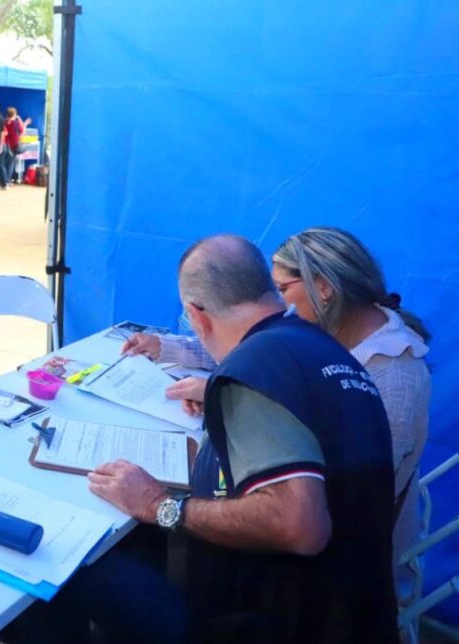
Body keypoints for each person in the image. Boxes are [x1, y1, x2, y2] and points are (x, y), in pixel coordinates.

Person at [19, 234, 404, 644]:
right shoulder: (320, 349)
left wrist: (160, 506)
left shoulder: (255, 369)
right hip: (348, 630)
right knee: (134, 542)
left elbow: (300, 525)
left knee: (60, 569)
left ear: (197, 315)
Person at [124, 226, 432, 608]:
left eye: (282, 290)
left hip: (336, 575)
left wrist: (169, 504)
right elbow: (252, 343)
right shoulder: (332, 330)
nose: (279, 306)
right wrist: (172, 351)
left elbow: (341, 500)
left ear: (323, 288)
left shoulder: (396, 377)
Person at [3, 106, 26, 185]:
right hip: (14, 145)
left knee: (4, 163)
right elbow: (22, 131)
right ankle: (8, 180)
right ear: (15, 114)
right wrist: (20, 120)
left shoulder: (4, 122)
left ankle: (3, 179)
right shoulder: (16, 123)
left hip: (5, 144)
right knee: (11, 163)